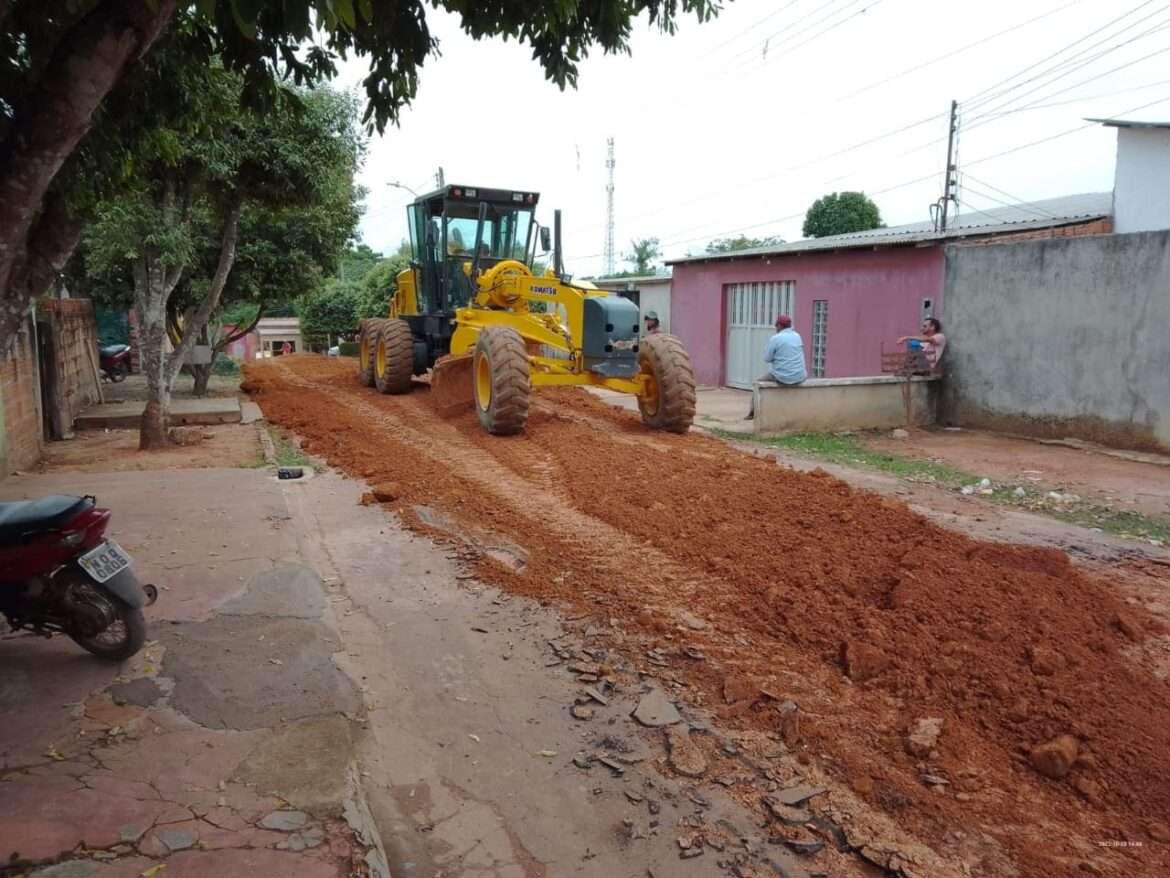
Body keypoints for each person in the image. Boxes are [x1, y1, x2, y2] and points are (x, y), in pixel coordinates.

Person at [746, 314, 806, 420]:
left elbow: (767, 358)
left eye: (776, 325)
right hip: (799, 376)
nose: (775, 327)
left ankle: (752, 413)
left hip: (782, 376)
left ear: (779, 326)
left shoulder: (776, 338)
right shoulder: (797, 336)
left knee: (757, 383)